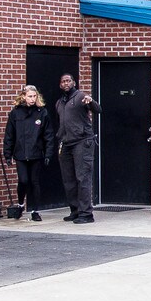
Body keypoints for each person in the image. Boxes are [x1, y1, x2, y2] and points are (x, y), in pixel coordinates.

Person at [1, 84, 55, 221]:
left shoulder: (41, 112)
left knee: (34, 181)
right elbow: (9, 135)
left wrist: (48, 153)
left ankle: (35, 210)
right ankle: (20, 204)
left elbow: (48, 135)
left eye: (34, 96)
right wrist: (7, 154)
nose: (32, 99)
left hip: (36, 152)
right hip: (20, 153)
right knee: (23, 180)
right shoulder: (16, 113)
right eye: (30, 96)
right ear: (24, 97)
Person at [55, 72, 99, 224]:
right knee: (69, 180)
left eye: (68, 81)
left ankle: (86, 213)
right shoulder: (59, 103)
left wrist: (91, 101)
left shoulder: (81, 96)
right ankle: (75, 210)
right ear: (60, 85)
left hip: (82, 141)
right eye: (63, 81)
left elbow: (97, 109)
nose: (66, 83)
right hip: (66, 143)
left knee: (83, 178)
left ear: (73, 82)